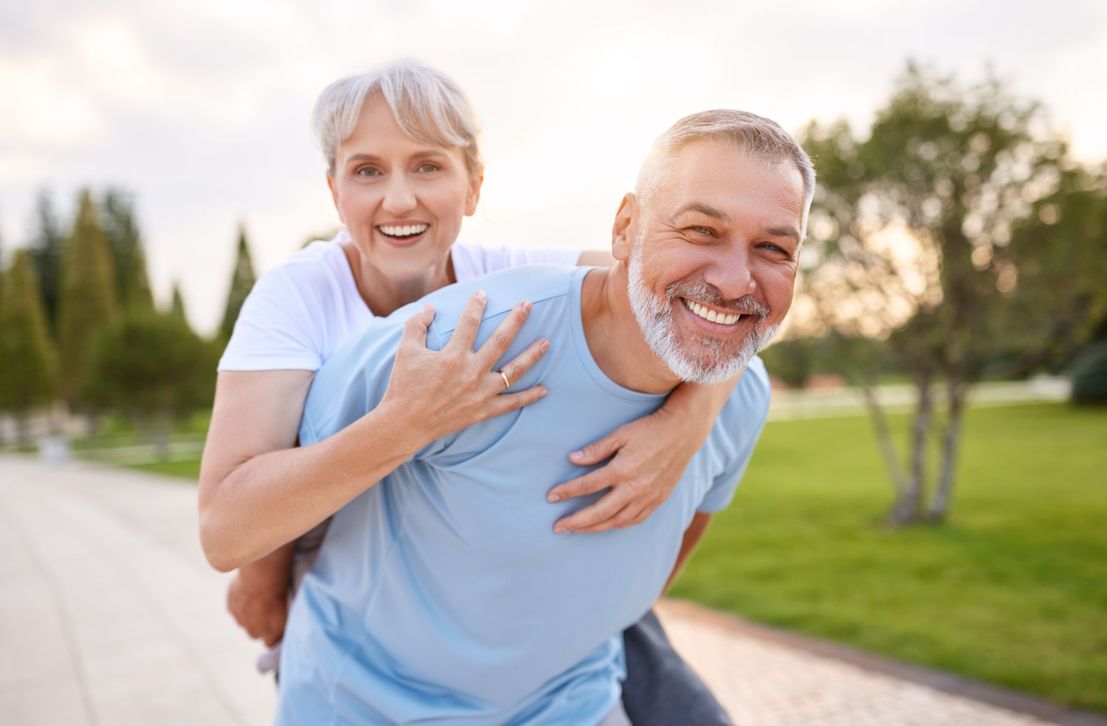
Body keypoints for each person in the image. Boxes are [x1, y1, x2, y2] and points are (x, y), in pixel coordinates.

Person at [198, 62, 740, 723]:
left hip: (529, 605)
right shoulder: (295, 298)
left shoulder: (509, 278)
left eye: (428, 166)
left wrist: (691, 418)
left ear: (474, 185)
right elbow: (226, 528)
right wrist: (405, 425)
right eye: (368, 170)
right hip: (370, 620)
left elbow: (699, 300)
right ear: (335, 190)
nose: (398, 199)